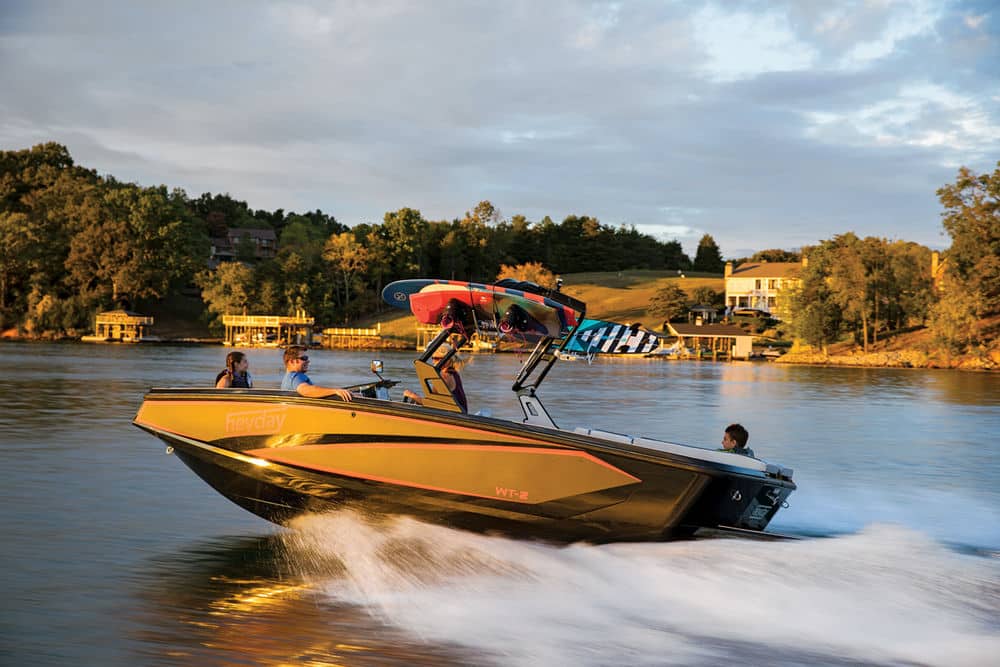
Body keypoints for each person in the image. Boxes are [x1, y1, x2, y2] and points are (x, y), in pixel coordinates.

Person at [403, 343, 468, 413]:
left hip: (453, 417)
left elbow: (431, 404)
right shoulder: (454, 373)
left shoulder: (444, 376)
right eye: (433, 358)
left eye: (437, 358)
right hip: (459, 413)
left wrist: (412, 395)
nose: (433, 361)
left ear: (448, 360)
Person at [280, 346, 353, 401]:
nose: (308, 361)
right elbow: (305, 390)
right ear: (292, 361)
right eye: (304, 358)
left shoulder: (288, 378)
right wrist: (335, 391)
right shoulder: (295, 376)